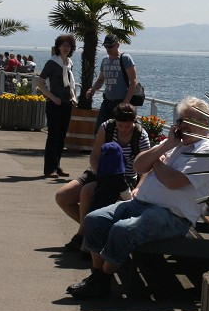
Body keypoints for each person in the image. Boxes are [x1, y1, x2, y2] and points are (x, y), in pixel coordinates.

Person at [67, 97, 209, 298]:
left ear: (205, 124)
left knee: (122, 230)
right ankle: (98, 276)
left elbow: (172, 181)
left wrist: (156, 161)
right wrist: (163, 149)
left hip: (173, 216)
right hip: (141, 204)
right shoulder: (175, 144)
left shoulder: (206, 151)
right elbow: (139, 166)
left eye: (192, 121)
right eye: (182, 120)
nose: (185, 125)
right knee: (94, 219)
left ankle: (102, 280)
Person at [56, 102, 151, 252]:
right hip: (100, 172)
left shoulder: (140, 135)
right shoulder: (107, 127)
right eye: (120, 126)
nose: (124, 130)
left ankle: (83, 235)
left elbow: (146, 166)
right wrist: (100, 173)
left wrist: (139, 187)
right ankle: (90, 231)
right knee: (62, 197)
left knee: (87, 191)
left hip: (123, 178)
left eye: (127, 126)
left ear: (134, 121)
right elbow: (95, 155)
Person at [36, 34, 77, 178]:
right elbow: (40, 83)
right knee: (53, 135)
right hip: (54, 104)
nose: (66, 48)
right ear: (58, 47)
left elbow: (69, 84)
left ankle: (57, 166)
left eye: (68, 46)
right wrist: (52, 98)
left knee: (61, 136)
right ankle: (49, 168)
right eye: (63, 45)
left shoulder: (69, 63)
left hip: (66, 103)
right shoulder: (52, 63)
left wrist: (73, 97)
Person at [85, 34, 139, 131]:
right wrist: (92, 89)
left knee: (117, 132)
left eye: (110, 46)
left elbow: (133, 81)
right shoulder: (105, 60)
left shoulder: (125, 58)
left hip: (121, 101)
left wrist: (125, 103)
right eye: (106, 46)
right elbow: (101, 79)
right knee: (99, 130)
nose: (108, 49)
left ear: (117, 45)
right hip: (107, 102)